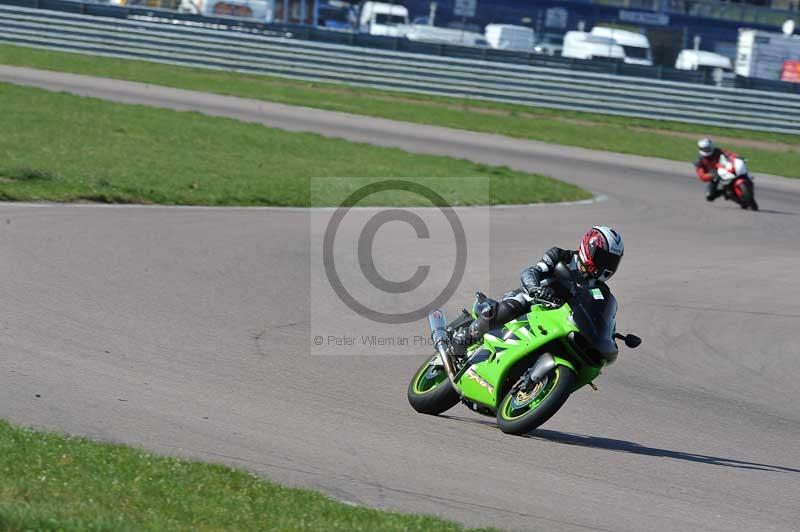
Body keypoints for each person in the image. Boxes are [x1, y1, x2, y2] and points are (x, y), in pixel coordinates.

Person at [450, 226, 625, 358]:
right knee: (514, 305)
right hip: (533, 300)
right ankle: (465, 338)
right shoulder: (560, 256)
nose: (606, 265)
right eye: (603, 258)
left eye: (612, 261)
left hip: (558, 320)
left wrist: (608, 334)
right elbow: (531, 271)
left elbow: (602, 315)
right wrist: (535, 289)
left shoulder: (600, 289)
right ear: (589, 248)